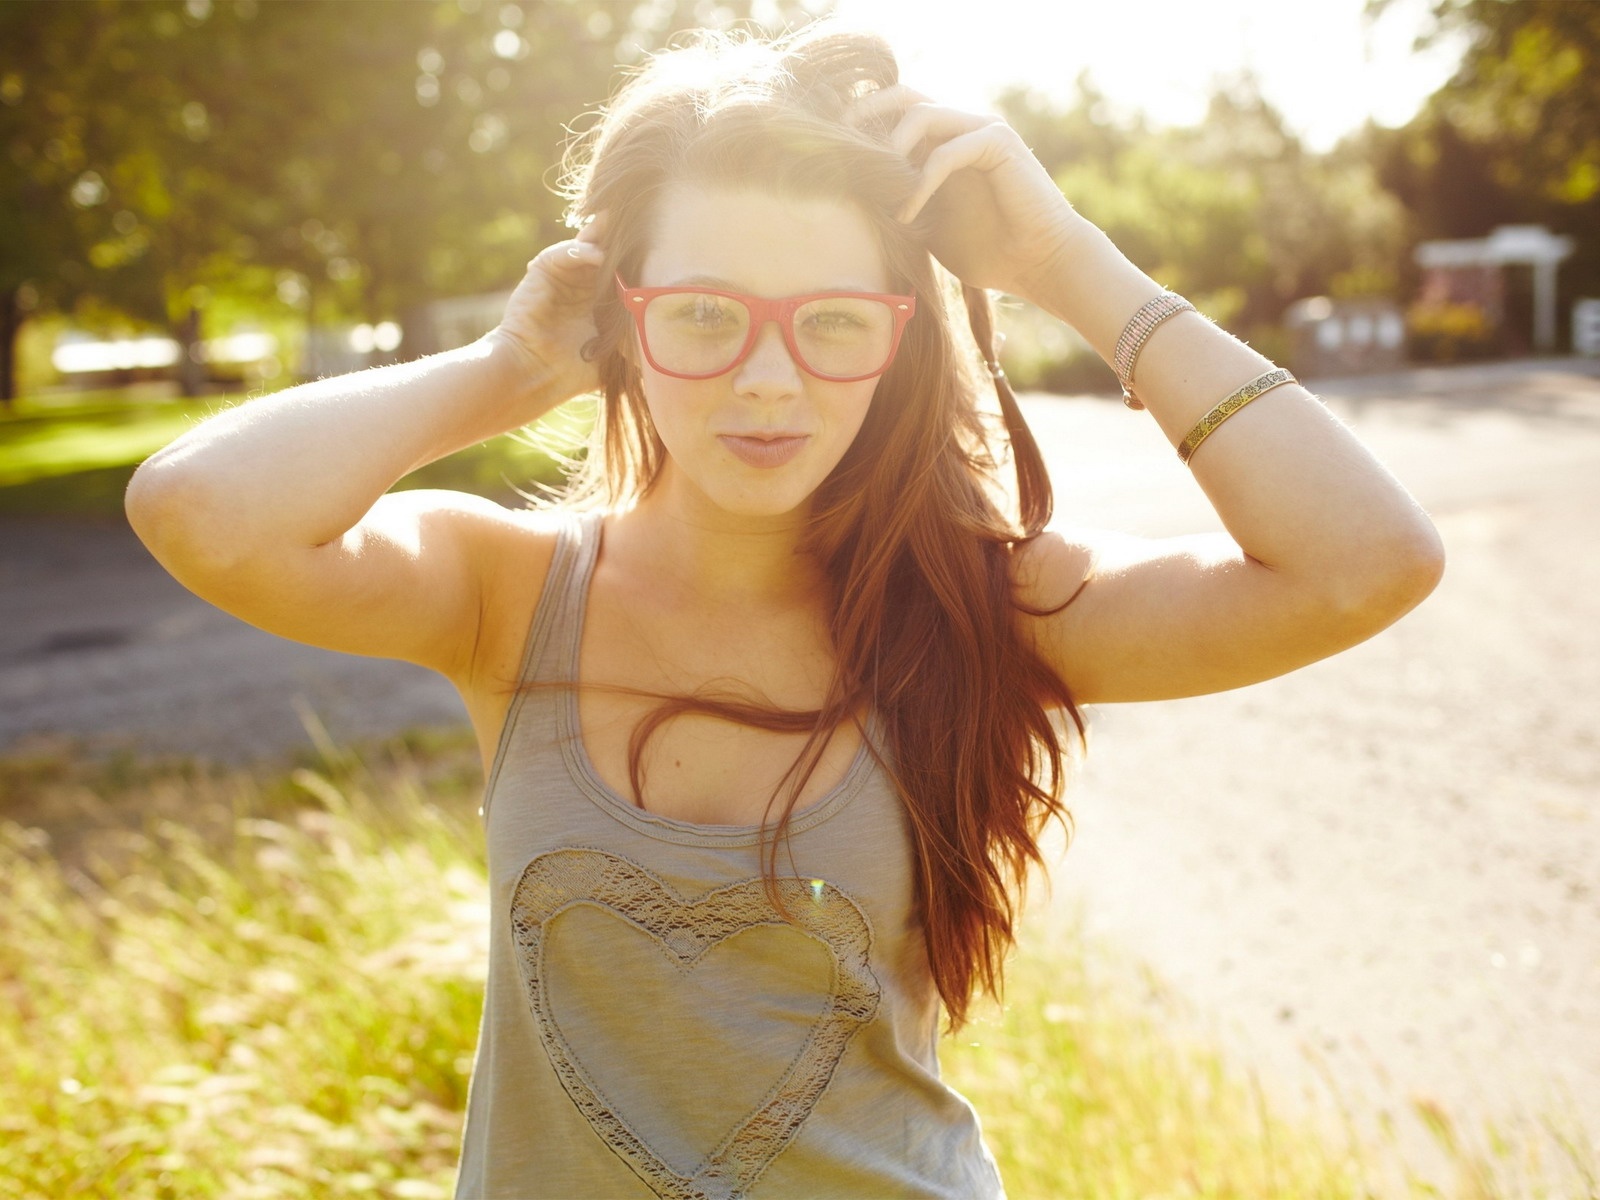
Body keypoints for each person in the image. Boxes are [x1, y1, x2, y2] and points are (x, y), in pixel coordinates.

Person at [124, 22, 1445, 1200]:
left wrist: (1063, 258)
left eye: (831, 321)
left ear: (898, 339)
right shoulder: (507, 596)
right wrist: (502, 367)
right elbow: (200, 509)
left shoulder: (989, 606)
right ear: (623, 323)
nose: (767, 382)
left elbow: (1365, 563)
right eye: (703, 315)